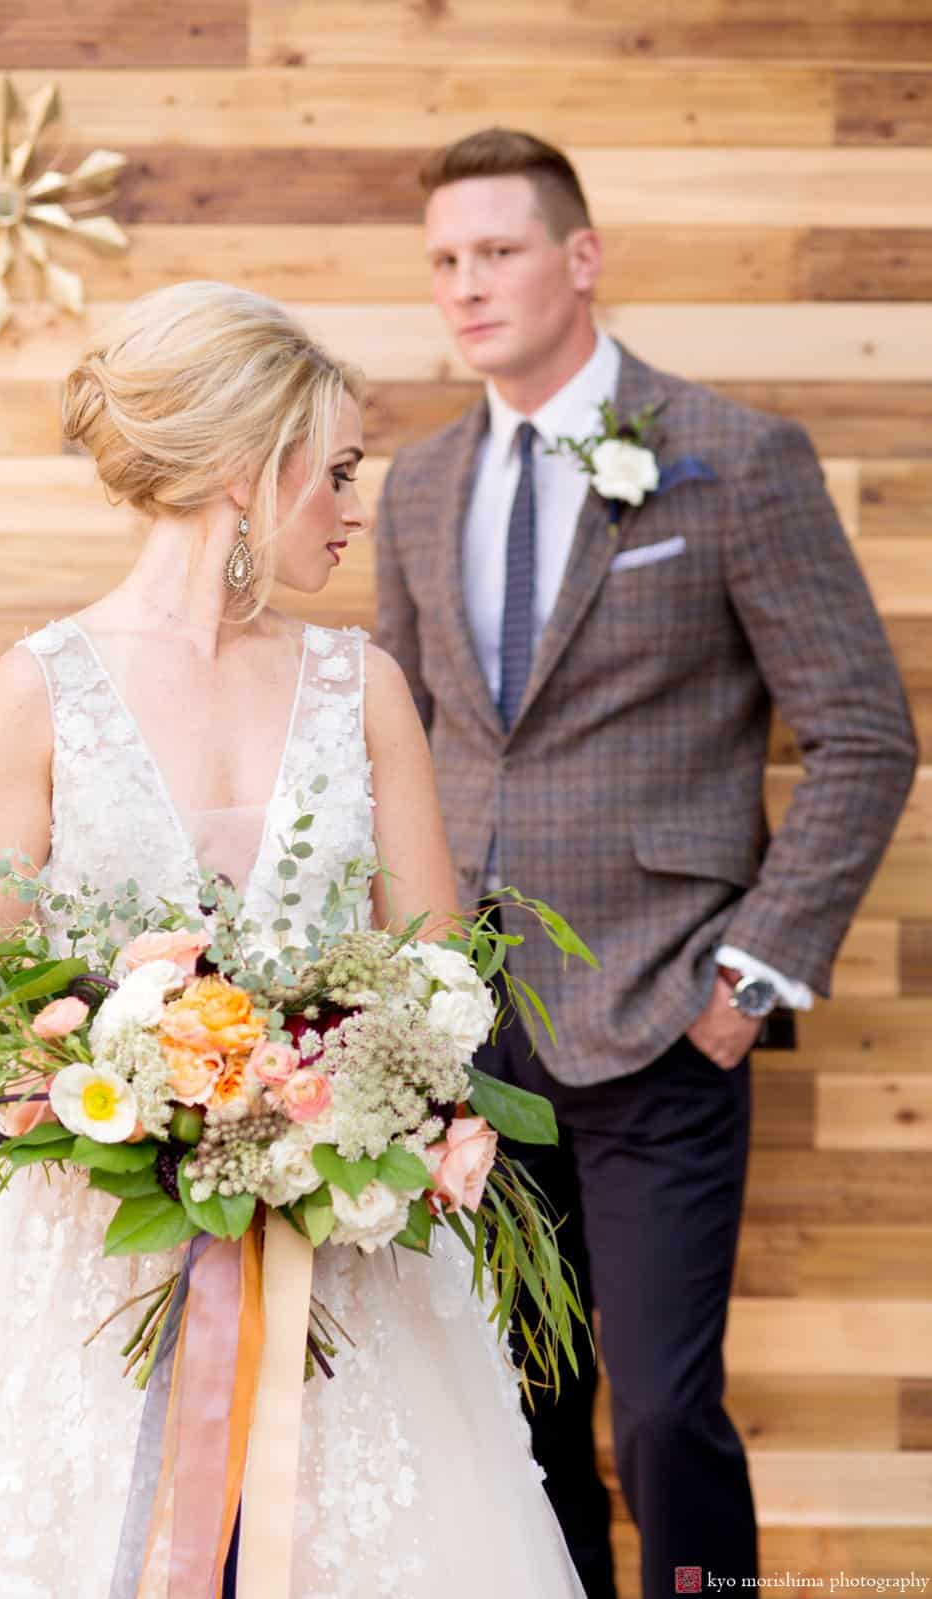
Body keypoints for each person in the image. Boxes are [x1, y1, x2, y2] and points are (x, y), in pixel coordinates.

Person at [0, 281, 587, 1599]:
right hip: (79, 1256)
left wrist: (321, 1096)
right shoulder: (38, 690)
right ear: (241, 474)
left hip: (343, 1255)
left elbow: (444, 977)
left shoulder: (361, 687)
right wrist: (135, 1079)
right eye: (332, 473)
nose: (352, 505)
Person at [375, 129, 919, 1597]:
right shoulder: (418, 487)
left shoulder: (730, 456)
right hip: (467, 1039)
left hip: (662, 1018)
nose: (465, 287)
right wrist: (386, 1000)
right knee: (519, 1408)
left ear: (580, 257)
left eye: (495, 250)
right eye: (442, 261)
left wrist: (746, 981)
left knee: (665, 1415)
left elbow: (864, 736)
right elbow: (401, 743)